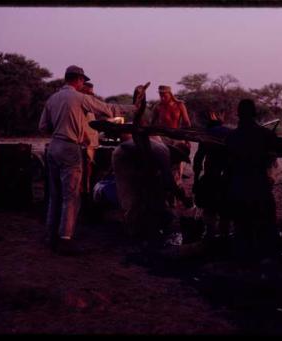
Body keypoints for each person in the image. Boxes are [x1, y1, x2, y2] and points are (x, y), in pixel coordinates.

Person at [39, 65, 144, 255]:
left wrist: (62, 127)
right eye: (82, 81)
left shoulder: (52, 99)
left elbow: (43, 127)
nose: (83, 84)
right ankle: (65, 239)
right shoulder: (79, 98)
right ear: (78, 79)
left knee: (55, 195)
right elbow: (108, 109)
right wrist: (134, 107)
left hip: (53, 147)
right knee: (71, 196)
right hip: (71, 148)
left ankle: (50, 235)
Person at [225, 99, 281, 261]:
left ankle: (242, 262)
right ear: (254, 113)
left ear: (238, 114)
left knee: (242, 229)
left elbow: (228, 167)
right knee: (265, 227)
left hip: (238, 189)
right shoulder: (265, 135)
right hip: (259, 188)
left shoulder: (232, 137)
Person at [112, 136, 193, 244]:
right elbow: (169, 181)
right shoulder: (164, 154)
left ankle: (138, 224)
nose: (177, 163)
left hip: (131, 158)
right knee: (132, 193)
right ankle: (131, 228)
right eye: (179, 159)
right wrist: (183, 198)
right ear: (176, 155)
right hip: (124, 157)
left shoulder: (162, 151)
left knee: (144, 190)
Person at [193, 110, 232, 240]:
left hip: (211, 175)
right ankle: (224, 236)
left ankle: (210, 235)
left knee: (209, 209)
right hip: (228, 176)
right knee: (225, 209)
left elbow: (198, 159)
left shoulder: (207, 134)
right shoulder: (230, 132)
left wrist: (196, 179)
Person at [150, 85, 192, 196]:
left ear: (170, 94)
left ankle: (177, 187)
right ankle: (165, 189)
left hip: (178, 136)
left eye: (164, 94)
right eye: (160, 95)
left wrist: (186, 138)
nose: (162, 97)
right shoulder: (158, 107)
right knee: (165, 162)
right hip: (163, 138)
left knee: (178, 163)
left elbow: (187, 122)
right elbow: (152, 124)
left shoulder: (180, 105)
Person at [79, 82, 100, 194]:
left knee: (89, 168)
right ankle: (84, 192)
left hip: (92, 143)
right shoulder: (80, 105)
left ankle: (87, 190)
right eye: (88, 92)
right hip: (85, 144)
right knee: (84, 169)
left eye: (92, 93)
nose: (91, 95)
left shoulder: (90, 105)